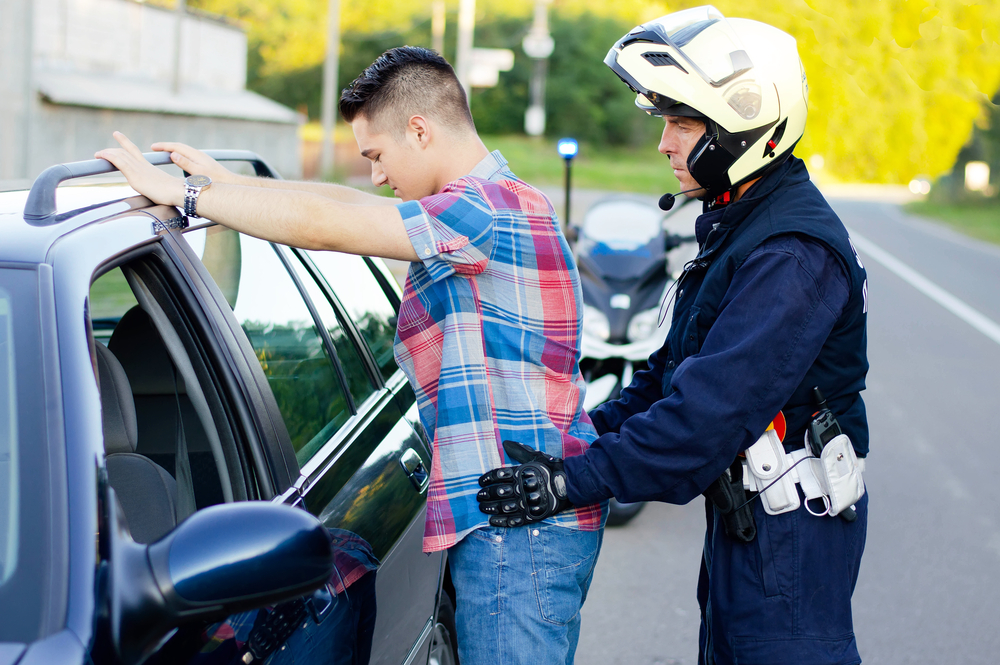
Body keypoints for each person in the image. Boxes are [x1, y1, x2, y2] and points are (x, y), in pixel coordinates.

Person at [95, 46, 605, 665]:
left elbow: (327, 225)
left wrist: (192, 199)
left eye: (377, 155)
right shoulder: (491, 202)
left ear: (419, 130)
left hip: (518, 528)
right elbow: (351, 206)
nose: (378, 176)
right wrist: (228, 186)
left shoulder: (486, 212)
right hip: (519, 515)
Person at [477, 7, 870, 665]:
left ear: (744, 125)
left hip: (791, 542)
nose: (663, 143)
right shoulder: (741, 225)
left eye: (682, 124)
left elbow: (702, 419)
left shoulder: (791, 256)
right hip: (751, 527)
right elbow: (665, 377)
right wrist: (578, 438)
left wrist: (570, 482)